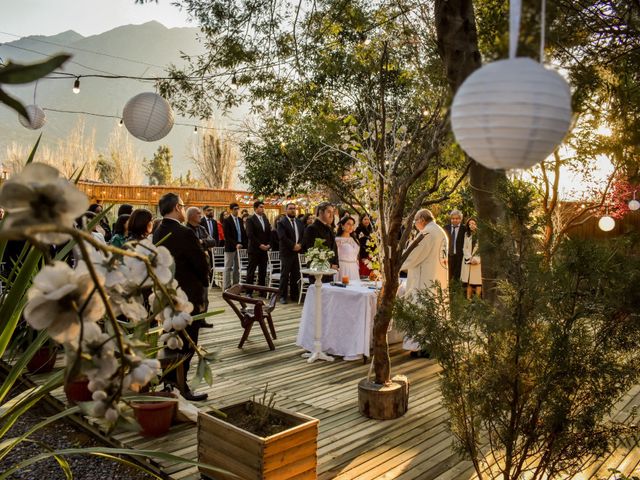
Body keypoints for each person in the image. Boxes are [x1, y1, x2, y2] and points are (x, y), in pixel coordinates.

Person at [153, 193, 209, 401]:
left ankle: (170, 384)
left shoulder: (158, 231)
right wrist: (204, 281)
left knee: (171, 342)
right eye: (183, 207)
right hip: (187, 295)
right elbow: (200, 264)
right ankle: (180, 387)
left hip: (167, 294)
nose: (184, 210)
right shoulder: (184, 233)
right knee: (187, 343)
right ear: (177, 207)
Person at [400, 208, 449, 356]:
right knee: (433, 309)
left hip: (423, 279)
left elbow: (413, 254)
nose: (415, 224)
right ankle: (432, 344)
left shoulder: (427, 233)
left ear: (421, 219)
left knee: (419, 308)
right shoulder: (441, 232)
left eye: (415, 221)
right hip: (437, 277)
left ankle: (419, 346)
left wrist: (397, 263)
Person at [277, 203, 304, 304]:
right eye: (290, 208)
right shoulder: (281, 222)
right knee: (285, 274)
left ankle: (294, 295)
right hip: (287, 252)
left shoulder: (299, 222)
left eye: (294, 208)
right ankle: (283, 296)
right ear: (286, 210)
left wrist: (300, 244)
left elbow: (303, 235)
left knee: (295, 275)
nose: (293, 210)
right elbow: (282, 237)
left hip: (297, 252)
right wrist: (293, 245)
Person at [302, 202, 339, 273]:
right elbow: (311, 251)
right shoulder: (311, 228)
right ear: (321, 212)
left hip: (330, 270)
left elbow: (334, 247)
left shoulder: (329, 228)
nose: (332, 215)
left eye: (332, 212)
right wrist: (330, 265)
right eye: (328, 212)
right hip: (317, 270)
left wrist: (335, 264)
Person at [245, 200, 271, 288]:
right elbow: (250, 235)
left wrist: (268, 244)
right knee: (251, 270)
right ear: (255, 208)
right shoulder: (250, 219)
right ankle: (249, 290)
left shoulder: (265, 219)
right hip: (254, 249)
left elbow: (269, 233)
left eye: (263, 207)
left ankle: (261, 290)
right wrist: (260, 245)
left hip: (264, 249)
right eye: (261, 207)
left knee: (263, 271)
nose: (263, 209)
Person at [222, 202, 247, 289]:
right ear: (231, 210)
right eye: (235, 209)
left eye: (237, 209)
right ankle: (226, 286)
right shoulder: (227, 220)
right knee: (228, 267)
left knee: (237, 267)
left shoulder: (240, 220)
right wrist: (235, 244)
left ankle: (235, 285)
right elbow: (227, 235)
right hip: (230, 247)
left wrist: (243, 244)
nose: (237, 211)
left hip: (240, 246)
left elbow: (243, 233)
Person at [460, 217, 482, 299]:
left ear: (477, 224)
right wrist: (470, 258)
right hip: (469, 260)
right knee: (469, 281)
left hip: (477, 261)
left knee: (478, 282)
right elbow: (464, 248)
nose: (471, 225)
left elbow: (482, 249)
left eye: (473, 223)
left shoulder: (481, 235)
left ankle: (477, 301)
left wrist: (476, 259)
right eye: (469, 224)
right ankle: (468, 300)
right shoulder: (467, 234)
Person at [335, 216, 360, 284]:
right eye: (348, 224)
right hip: (343, 267)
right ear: (342, 225)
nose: (351, 226)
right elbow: (334, 255)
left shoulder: (355, 240)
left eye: (352, 224)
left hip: (354, 267)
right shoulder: (338, 240)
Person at [444, 209, 466, 282]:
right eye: (453, 218)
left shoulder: (464, 229)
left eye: (457, 218)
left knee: (458, 276)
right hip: (448, 256)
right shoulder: (446, 228)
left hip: (459, 256)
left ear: (460, 219)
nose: (454, 220)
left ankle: (457, 291)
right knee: (447, 276)